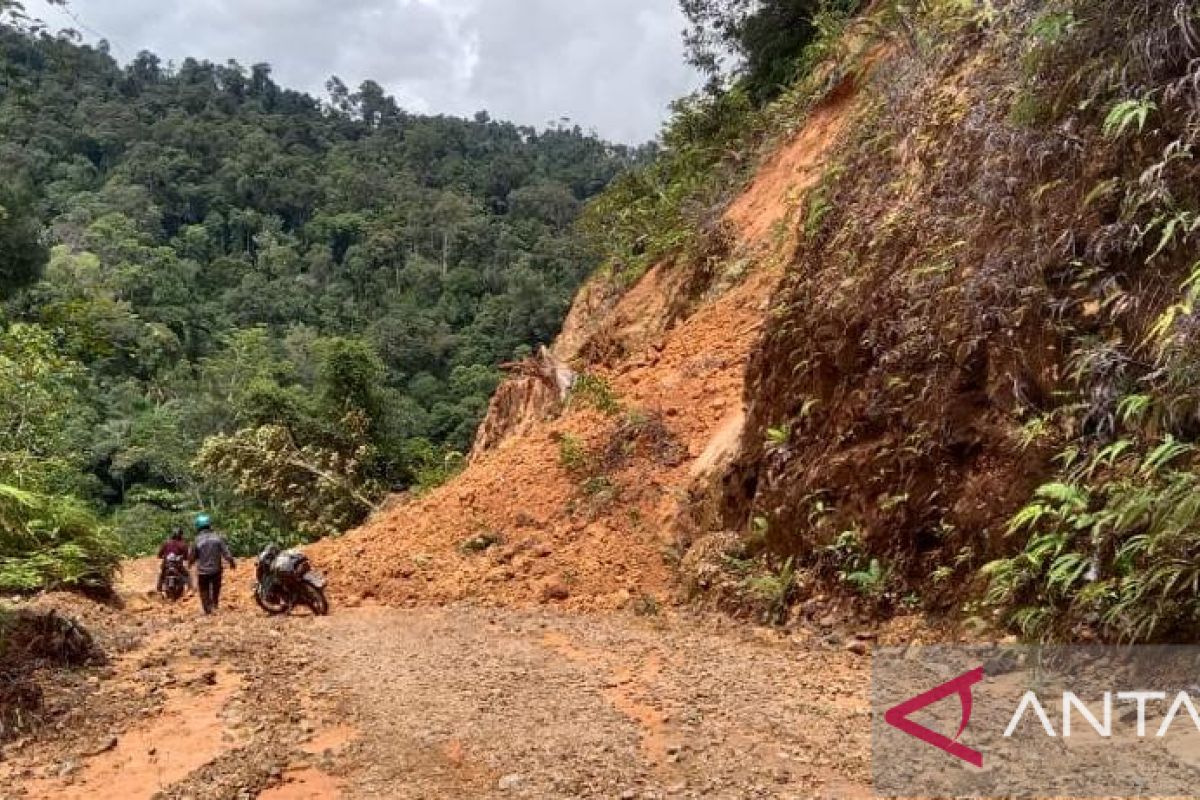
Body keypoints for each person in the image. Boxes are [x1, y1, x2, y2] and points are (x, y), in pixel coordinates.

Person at [188, 514, 236, 614]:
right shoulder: (217, 538)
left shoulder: (197, 540)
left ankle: (207, 609)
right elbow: (226, 553)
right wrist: (231, 562)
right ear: (209, 525)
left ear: (198, 527)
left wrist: (190, 563)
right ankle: (214, 605)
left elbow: (192, 556)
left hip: (202, 571)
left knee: (204, 590)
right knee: (216, 588)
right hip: (216, 569)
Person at [156, 527, 191, 594]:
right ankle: (190, 590)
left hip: (166, 565)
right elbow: (186, 557)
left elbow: (159, 555)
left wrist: (164, 557)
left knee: (161, 575)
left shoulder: (166, 543)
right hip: (178, 566)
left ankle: (159, 591)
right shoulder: (183, 545)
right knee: (187, 575)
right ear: (181, 535)